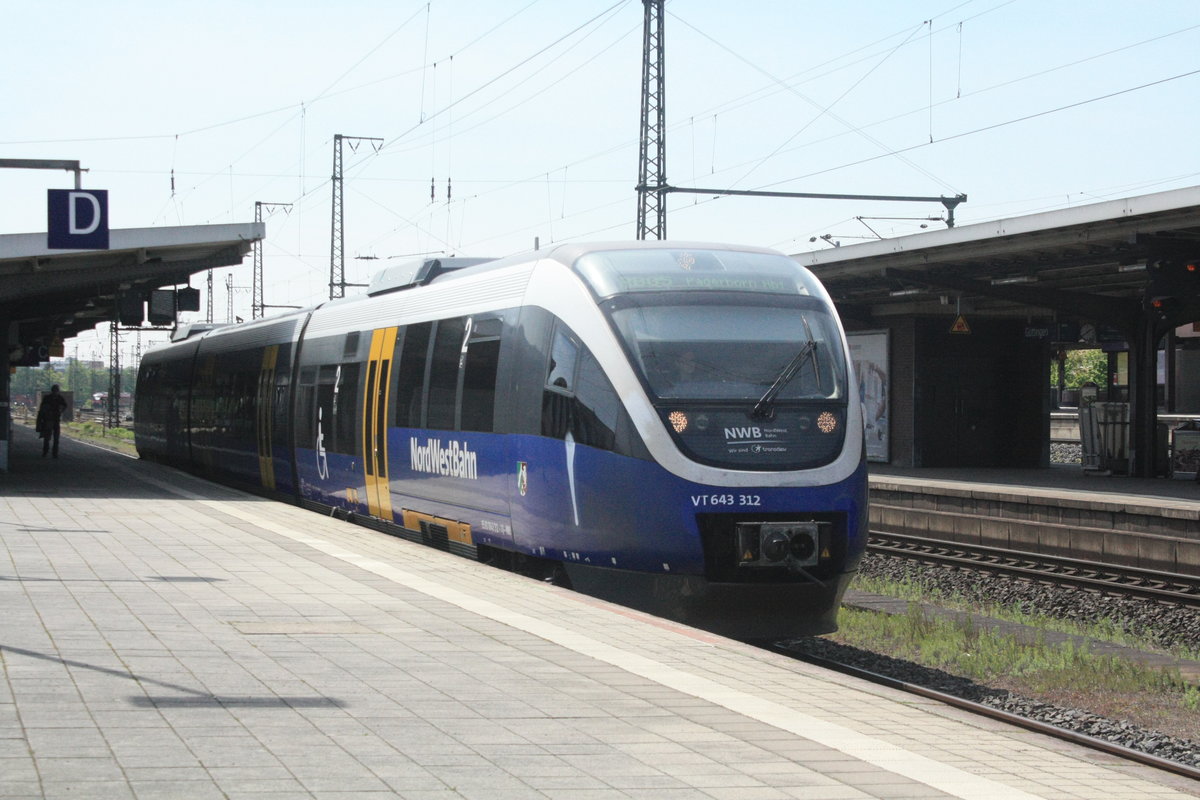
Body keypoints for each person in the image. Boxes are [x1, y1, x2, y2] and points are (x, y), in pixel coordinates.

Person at [35, 384, 69, 458]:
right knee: (53, 438)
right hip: (51, 420)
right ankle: (53, 453)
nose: (55, 392)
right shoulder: (59, 398)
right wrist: (61, 410)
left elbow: (41, 409)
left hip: (51, 420)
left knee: (49, 437)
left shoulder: (47, 398)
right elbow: (65, 405)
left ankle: (47, 452)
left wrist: (40, 420)